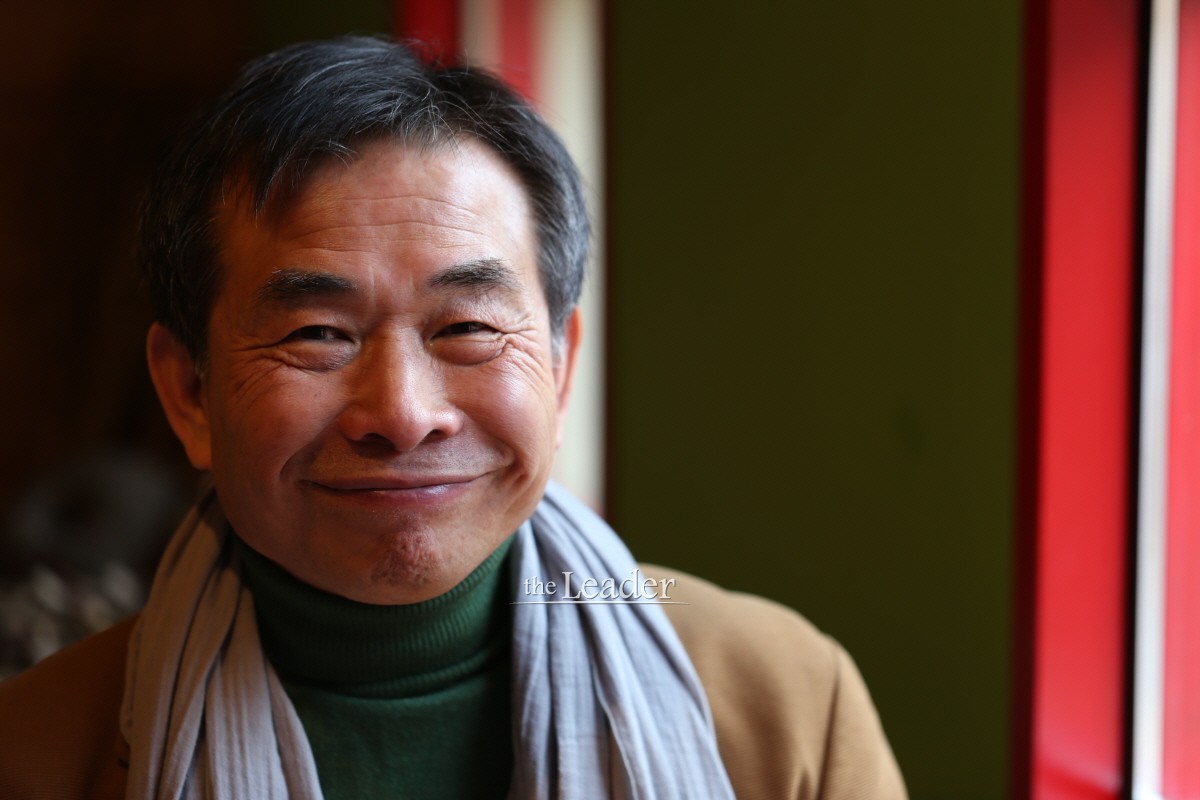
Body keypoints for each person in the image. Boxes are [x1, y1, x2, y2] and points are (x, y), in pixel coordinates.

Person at [0, 36, 906, 799]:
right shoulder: (37, 753)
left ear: (559, 366)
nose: (403, 414)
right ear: (187, 392)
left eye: (467, 327)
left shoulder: (786, 708)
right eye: (317, 333)